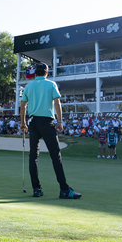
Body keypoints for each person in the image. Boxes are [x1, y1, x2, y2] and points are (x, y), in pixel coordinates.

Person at [19, 63, 80, 199]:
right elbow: (57, 103)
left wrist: (23, 123)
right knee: (55, 155)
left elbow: (23, 106)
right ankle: (64, 190)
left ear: (36, 73)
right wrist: (60, 122)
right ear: (46, 72)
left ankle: (36, 189)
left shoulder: (28, 86)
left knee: (33, 156)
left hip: (33, 122)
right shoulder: (51, 84)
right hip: (47, 122)